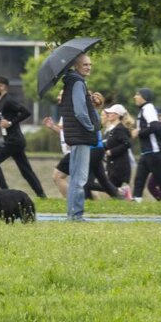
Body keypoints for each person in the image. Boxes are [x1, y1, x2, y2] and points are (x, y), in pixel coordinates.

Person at [0, 76, 45, 197]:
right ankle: (41, 195)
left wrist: (11, 123)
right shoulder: (2, 101)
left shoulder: (8, 100)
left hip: (13, 141)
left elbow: (26, 112)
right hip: (15, 140)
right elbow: (5, 123)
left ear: (2, 87)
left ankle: (5, 193)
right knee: (26, 171)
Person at [59, 52, 99, 221]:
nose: (89, 67)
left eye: (90, 64)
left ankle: (72, 214)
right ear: (76, 66)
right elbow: (80, 112)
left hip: (75, 135)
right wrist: (91, 127)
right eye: (85, 64)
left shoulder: (72, 81)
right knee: (79, 178)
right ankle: (76, 215)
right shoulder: (77, 82)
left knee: (75, 176)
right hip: (81, 134)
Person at [132, 88, 161, 201]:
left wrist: (139, 132)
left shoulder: (148, 108)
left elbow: (155, 126)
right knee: (139, 179)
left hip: (153, 151)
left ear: (144, 97)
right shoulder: (143, 109)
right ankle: (136, 200)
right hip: (146, 152)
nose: (135, 97)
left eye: (137, 95)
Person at [100, 104, 135, 192]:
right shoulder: (114, 129)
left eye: (111, 113)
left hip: (120, 167)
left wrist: (112, 151)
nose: (108, 115)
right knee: (114, 193)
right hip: (113, 166)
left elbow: (127, 144)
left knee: (115, 192)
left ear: (117, 115)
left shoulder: (120, 129)